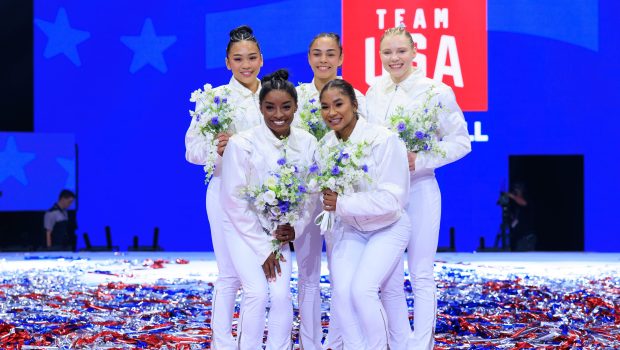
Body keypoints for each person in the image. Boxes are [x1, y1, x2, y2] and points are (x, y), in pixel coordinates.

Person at [365, 26, 472, 349]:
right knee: (389, 279)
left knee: (421, 272)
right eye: (387, 52)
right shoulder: (373, 91)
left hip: (421, 190)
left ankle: (421, 344)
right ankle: (400, 343)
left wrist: (421, 159)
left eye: (400, 51)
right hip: (383, 196)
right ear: (379, 55)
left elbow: (461, 142)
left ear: (414, 52)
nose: (394, 58)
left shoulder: (435, 91)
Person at [220, 69, 317, 349]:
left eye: (286, 107)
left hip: (278, 235)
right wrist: (264, 249)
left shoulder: (307, 142)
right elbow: (233, 201)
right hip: (243, 230)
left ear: (296, 107)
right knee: (257, 293)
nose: (278, 114)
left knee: (282, 295)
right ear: (260, 107)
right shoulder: (242, 143)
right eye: (270, 107)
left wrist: (295, 227)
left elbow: (310, 195)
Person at [184, 25, 263, 349]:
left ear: (262, 59)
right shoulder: (213, 99)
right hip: (223, 192)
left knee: (259, 277)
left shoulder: (274, 96)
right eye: (238, 59)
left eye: (252, 57)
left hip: (266, 197)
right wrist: (213, 150)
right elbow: (191, 150)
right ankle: (222, 342)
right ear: (227, 62)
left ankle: (249, 340)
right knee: (229, 274)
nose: (246, 64)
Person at [318, 79, 411, 349]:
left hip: (389, 227)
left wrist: (343, 202)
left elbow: (394, 200)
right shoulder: (326, 147)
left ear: (355, 105)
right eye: (325, 107)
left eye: (338, 104)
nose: (332, 112)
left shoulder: (383, 139)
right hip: (351, 229)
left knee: (362, 290)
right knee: (342, 294)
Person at [293, 32, 367, 350]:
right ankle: (310, 343)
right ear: (309, 57)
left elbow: (364, 146)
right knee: (307, 274)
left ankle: (340, 341)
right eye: (317, 53)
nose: (323, 59)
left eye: (330, 53)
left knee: (343, 275)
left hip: (342, 199)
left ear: (341, 57)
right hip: (306, 199)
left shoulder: (355, 96)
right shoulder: (295, 96)